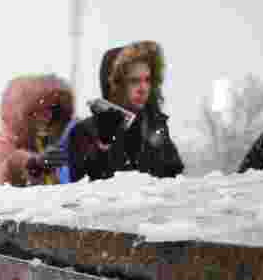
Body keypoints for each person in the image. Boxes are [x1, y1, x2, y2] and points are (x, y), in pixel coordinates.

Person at [70, 40, 184, 181]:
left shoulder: (155, 125)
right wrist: (104, 146)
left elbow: (175, 181)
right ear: (115, 84)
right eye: (134, 81)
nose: (143, 89)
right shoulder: (85, 131)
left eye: (147, 80)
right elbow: (81, 189)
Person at [0, 75, 75, 192]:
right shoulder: (2, 146)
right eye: (39, 112)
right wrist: (20, 165)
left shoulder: (51, 148)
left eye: (55, 112)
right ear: (20, 114)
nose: (47, 118)